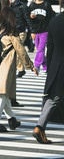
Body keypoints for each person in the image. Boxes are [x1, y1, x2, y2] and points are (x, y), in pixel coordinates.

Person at [0, 6, 38, 132]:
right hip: (4, 67)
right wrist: (30, 66)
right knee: (2, 93)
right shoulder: (11, 33)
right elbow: (21, 51)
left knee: (3, 93)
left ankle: (12, 120)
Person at [32, 10, 64, 144]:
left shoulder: (55, 21)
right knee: (55, 98)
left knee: (54, 97)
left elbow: (49, 48)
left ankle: (40, 126)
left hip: (57, 65)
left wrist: (50, 68)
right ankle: (39, 126)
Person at [28, 0, 56, 72]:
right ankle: (45, 66)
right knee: (39, 49)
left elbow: (51, 17)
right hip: (35, 31)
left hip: (45, 30)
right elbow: (28, 19)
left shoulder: (46, 5)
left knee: (40, 49)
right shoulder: (32, 5)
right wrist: (32, 30)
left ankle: (36, 66)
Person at [7, 0, 30, 80]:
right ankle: (20, 69)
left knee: (17, 49)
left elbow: (27, 19)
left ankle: (21, 69)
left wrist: (31, 30)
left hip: (20, 31)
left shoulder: (22, 6)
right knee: (13, 51)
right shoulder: (7, 6)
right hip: (10, 31)